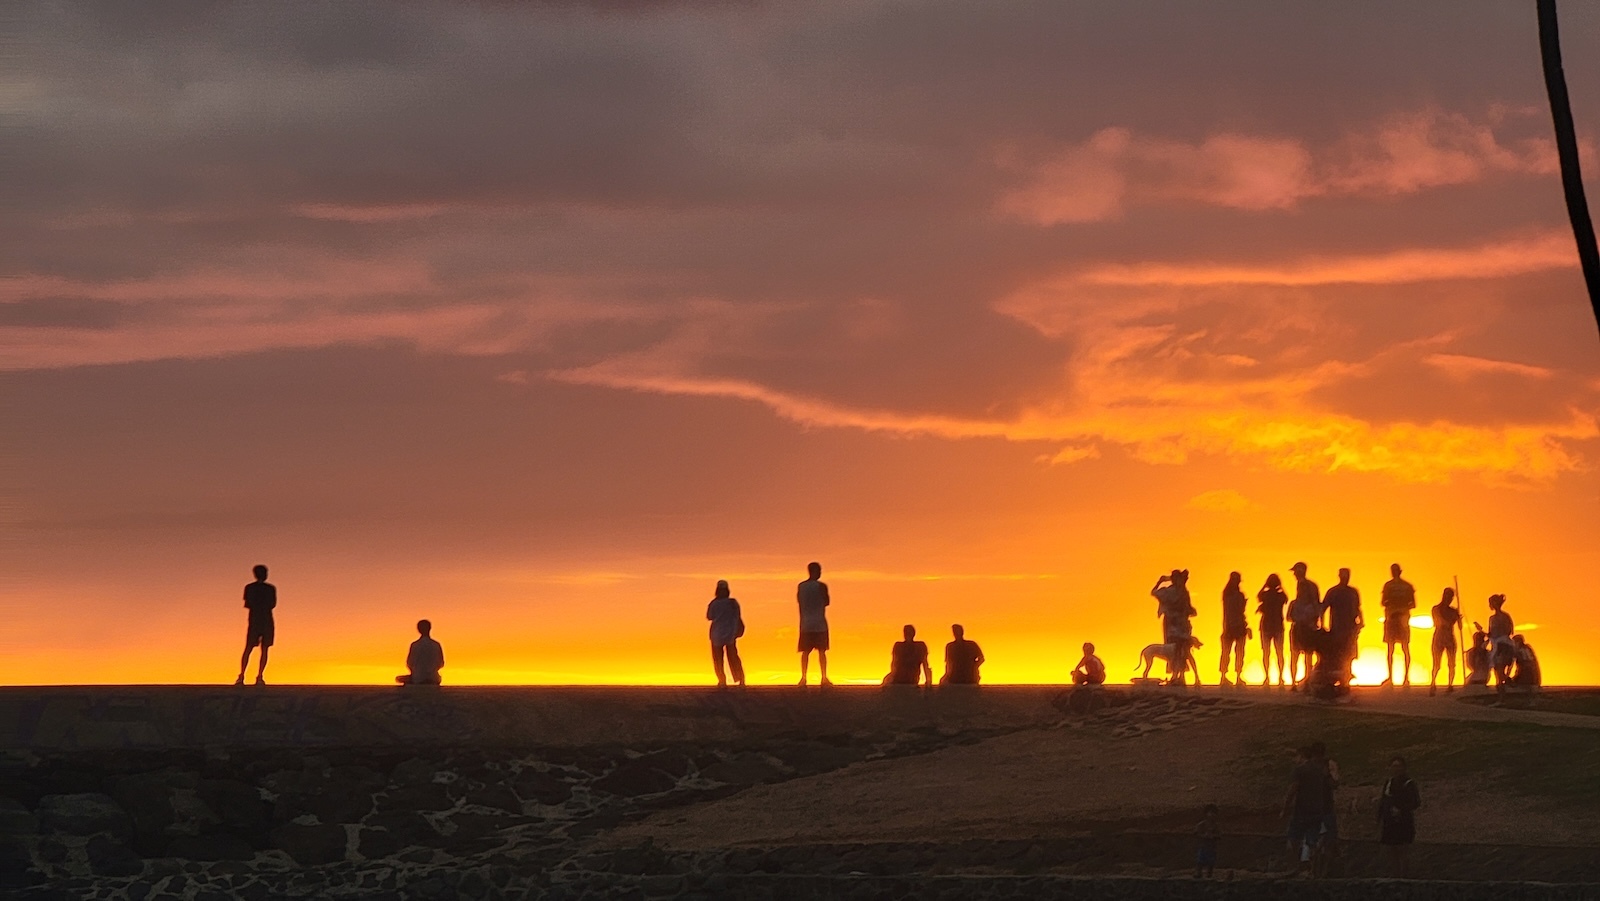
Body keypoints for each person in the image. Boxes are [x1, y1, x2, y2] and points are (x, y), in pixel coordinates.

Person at [1282, 745, 1327, 875]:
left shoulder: (1299, 770)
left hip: (1301, 811)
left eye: (1296, 757)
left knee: (1293, 840)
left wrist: (1285, 808)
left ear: (1301, 756)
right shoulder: (1319, 770)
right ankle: (1313, 870)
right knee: (1312, 841)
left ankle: (1293, 868)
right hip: (1317, 810)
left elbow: (1292, 790)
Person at [1377, 756, 1421, 877]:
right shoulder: (1388, 783)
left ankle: (1404, 877)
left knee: (1403, 851)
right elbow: (1383, 801)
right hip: (1389, 823)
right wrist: (1379, 819)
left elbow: (1416, 802)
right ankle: (1394, 877)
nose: (1396, 769)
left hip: (1404, 822)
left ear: (1404, 768)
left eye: (1398, 766)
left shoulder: (1409, 784)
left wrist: (1401, 809)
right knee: (1391, 852)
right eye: (1394, 766)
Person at [1321, 569, 1363, 687]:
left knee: (1349, 654)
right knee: (1337, 654)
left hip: (1350, 629)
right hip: (1336, 629)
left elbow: (1357, 608)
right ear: (1339, 576)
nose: (1345, 578)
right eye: (1343, 575)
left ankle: (1346, 677)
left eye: (1347, 575)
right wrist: (1322, 625)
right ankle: (1338, 677)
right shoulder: (1333, 592)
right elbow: (1323, 608)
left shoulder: (1353, 592)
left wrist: (1360, 622)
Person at [1151, 569, 1195, 682]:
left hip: (1176, 624)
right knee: (1177, 649)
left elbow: (1154, 592)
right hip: (1176, 624)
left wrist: (1160, 582)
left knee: (1177, 649)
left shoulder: (1177, 592)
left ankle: (1178, 675)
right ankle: (1178, 675)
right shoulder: (1178, 592)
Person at [236, 564, 276, 686]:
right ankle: (251, 676)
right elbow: (272, 604)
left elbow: (248, 603)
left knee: (255, 648)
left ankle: (248, 676)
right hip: (262, 621)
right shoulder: (267, 588)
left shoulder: (251, 588)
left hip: (258, 620)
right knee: (260, 649)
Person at [1380, 564, 1416, 687]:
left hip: (1399, 618)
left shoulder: (1402, 586)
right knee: (1393, 649)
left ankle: (1406, 677)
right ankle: (1392, 677)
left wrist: (1397, 605)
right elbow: (1384, 602)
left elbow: (1413, 604)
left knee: (1402, 648)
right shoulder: (1394, 585)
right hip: (1394, 618)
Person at [796, 562, 831, 686]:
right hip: (820, 623)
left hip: (805, 623)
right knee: (822, 651)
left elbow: (799, 600)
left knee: (805, 652)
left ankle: (803, 678)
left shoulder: (801, 586)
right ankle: (824, 677)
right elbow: (827, 602)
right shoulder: (821, 586)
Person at [1287, 563, 1321, 690]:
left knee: (1305, 655)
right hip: (1302, 627)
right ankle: (1300, 682)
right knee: (1301, 655)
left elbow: (1316, 604)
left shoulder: (1307, 586)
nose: (1294, 574)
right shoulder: (1298, 599)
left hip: (1305, 628)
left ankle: (1305, 681)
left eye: (1296, 571)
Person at [706, 580, 746, 688]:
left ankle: (723, 680)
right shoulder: (732, 602)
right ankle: (739, 679)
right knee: (732, 657)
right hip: (729, 633)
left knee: (719, 659)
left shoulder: (714, 603)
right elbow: (738, 616)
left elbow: (709, 616)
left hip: (717, 634)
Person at [1429, 587, 1462, 695]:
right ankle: (1433, 683)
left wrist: (1458, 619)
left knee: (1451, 663)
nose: (1449, 599)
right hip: (1439, 636)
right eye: (1448, 596)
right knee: (1436, 663)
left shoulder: (1453, 611)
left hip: (1450, 637)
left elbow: (1460, 627)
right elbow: (1439, 622)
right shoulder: (1436, 609)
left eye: (1451, 597)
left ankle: (1450, 685)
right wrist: (1453, 618)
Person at [1219, 572, 1250, 685]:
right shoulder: (1238, 596)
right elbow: (1241, 611)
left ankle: (1224, 676)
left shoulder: (1226, 595)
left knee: (1226, 652)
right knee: (1239, 652)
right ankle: (1237, 676)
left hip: (1229, 626)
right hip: (1237, 626)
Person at [1257, 573, 1288, 687]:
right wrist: (1281, 587)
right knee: (1279, 653)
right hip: (1277, 626)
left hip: (1267, 626)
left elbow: (1258, 596)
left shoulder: (1265, 594)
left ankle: (1267, 677)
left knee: (1267, 653)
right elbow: (1286, 598)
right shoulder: (1280, 596)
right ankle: (1279, 676)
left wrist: (1264, 585)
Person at [396, 619, 445, 685]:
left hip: (418, 678)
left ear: (418, 630)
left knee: (398, 678)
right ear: (430, 628)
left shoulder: (415, 645)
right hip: (434, 678)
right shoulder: (436, 644)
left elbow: (409, 663)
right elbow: (441, 664)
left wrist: (416, 672)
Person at [1487, 595, 1515, 691]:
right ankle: (1501, 689)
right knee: (1497, 671)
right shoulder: (1491, 618)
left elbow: (1508, 631)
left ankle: (1505, 685)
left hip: (1503, 646)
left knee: (1500, 670)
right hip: (1496, 646)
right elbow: (1490, 633)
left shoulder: (1504, 616)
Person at [1194, 804, 1220, 879]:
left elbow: (1219, 835)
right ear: (1206, 813)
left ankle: (1209, 874)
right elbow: (1196, 833)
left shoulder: (1216, 826)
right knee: (1200, 860)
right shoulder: (1201, 825)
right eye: (1210, 813)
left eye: (1214, 813)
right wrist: (1204, 836)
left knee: (1211, 862)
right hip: (1203, 846)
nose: (1212, 815)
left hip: (1212, 847)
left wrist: (1213, 836)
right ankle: (1198, 873)